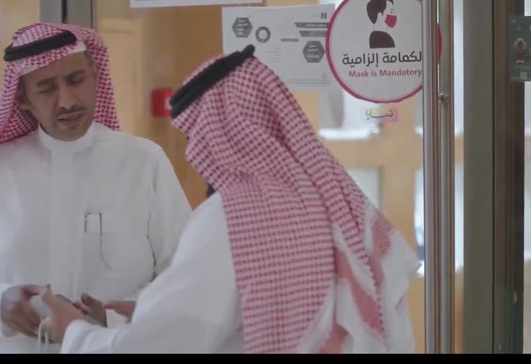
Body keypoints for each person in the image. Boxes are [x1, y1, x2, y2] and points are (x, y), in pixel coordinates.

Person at [38, 45, 421, 354]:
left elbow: (167, 342)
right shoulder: (339, 203)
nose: (197, 152)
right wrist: (150, 311)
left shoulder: (232, 218)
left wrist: (74, 332)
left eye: (198, 136)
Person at [0, 22, 192, 354]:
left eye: (76, 80)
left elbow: (183, 272)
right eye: (46, 88)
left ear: (95, 76)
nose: (67, 101)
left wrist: (112, 316)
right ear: (23, 99)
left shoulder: (143, 162)